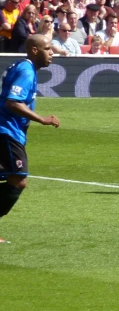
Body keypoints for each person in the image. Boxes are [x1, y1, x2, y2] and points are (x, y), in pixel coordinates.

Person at [0, 34, 60, 242]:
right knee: (18, 179)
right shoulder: (26, 71)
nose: (52, 53)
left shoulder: (23, 66)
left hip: (8, 131)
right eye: (48, 48)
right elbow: (13, 102)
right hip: (7, 131)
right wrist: (41, 119)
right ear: (35, 50)